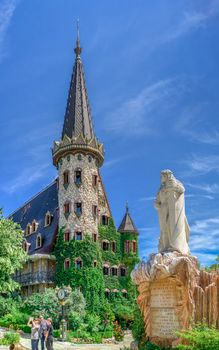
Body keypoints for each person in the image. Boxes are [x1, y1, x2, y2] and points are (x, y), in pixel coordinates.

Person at [154, 169, 190, 255]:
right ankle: (166, 246)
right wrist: (156, 204)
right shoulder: (161, 188)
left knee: (173, 227)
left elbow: (182, 190)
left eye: (162, 176)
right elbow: (157, 200)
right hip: (163, 211)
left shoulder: (176, 183)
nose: (161, 178)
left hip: (174, 212)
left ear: (167, 175)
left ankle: (176, 247)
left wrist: (174, 187)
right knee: (165, 228)